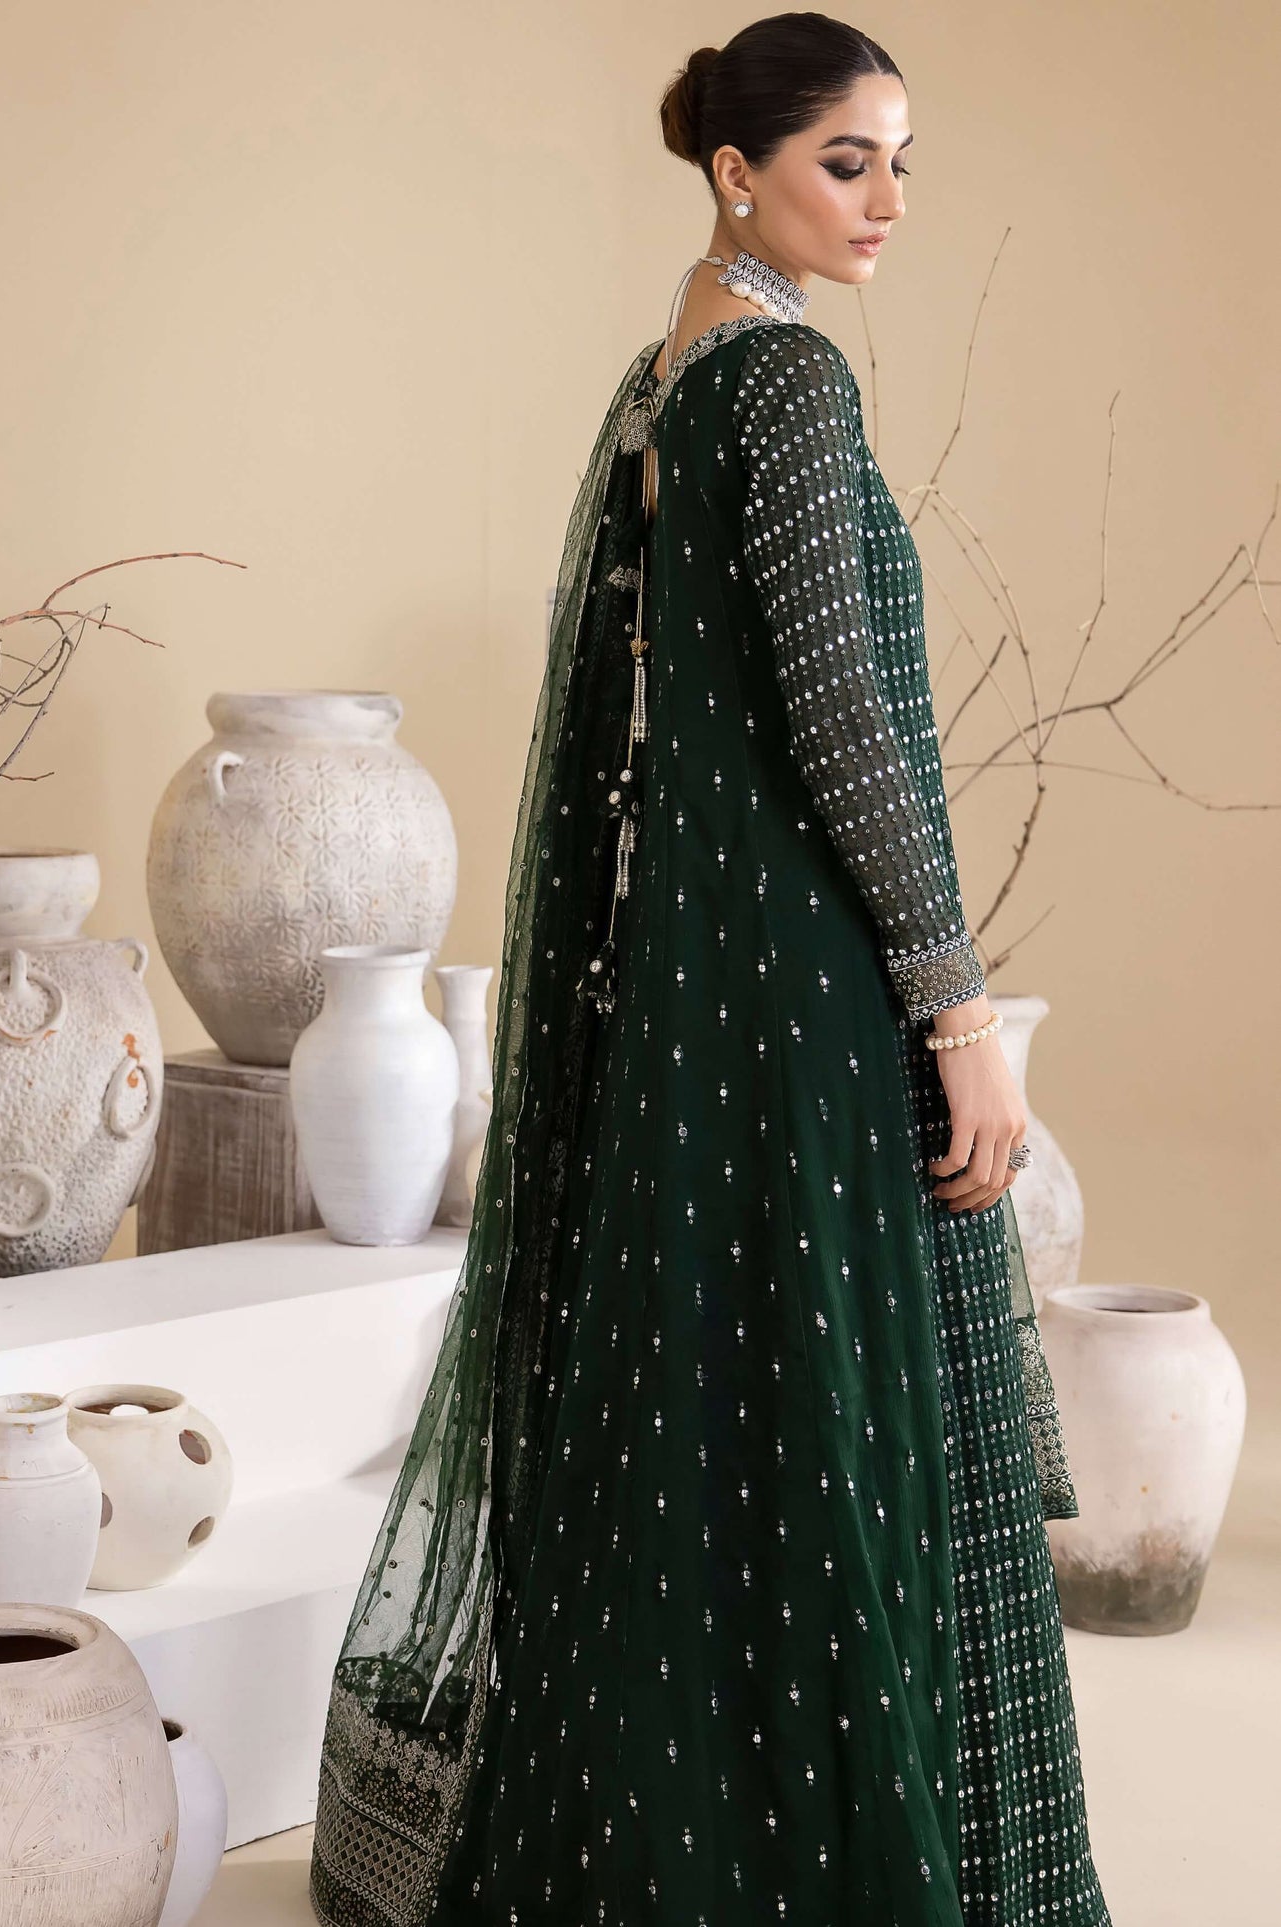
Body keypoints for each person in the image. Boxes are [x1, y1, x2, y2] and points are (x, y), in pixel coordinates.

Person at [309, 13, 1112, 1924]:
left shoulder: (663, 375)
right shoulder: (786, 384)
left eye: (902, 160)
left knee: (716, 1418)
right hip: (807, 990)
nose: (887, 199)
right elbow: (837, 726)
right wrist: (958, 1012)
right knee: (820, 1421)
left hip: (704, 985)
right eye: (847, 159)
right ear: (736, 171)